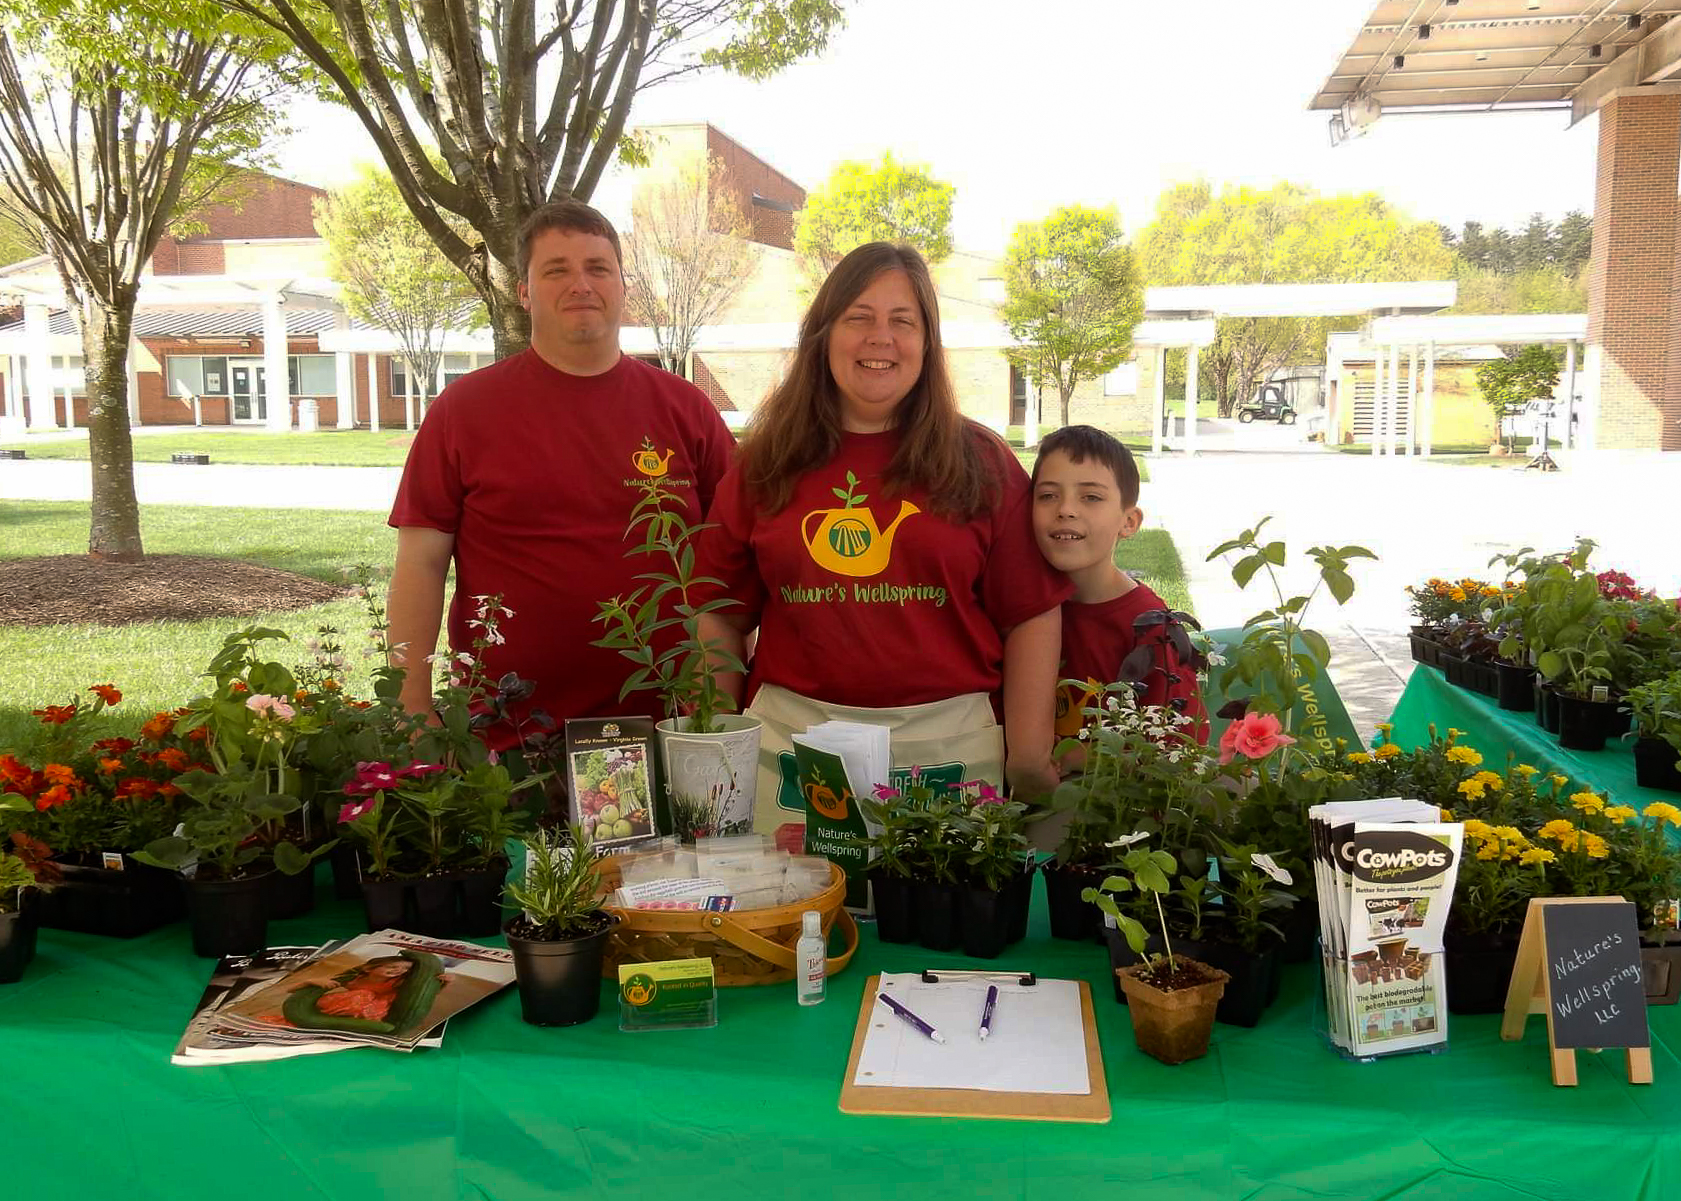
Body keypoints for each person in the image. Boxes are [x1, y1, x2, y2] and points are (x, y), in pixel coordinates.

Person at [694, 242, 1069, 836]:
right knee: (799, 926)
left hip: (947, 757)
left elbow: (1031, 612)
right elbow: (718, 612)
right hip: (794, 752)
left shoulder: (981, 462)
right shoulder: (765, 464)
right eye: (859, 318)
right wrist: (716, 743)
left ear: (927, 342)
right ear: (823, 334)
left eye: (903, 321)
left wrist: (1026, 755)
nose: (881, 338)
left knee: (934, 927)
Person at [386, 201, 734, 745]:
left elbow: (733, 562)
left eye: (598, 268)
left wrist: (718, 700)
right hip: (507, 737)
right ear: (523, 291)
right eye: (556, 270)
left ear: (623, 285)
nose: (581, 284)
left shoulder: (685, 409)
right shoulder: (464, 410)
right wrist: (413, 707)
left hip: (672, 727)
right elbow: (421, 565)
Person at [1029, 425, 1207, 750]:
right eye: (1047, 495)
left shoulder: (1153, 628)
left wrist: (1080, 762)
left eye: (1091, 497)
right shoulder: (1020, 607)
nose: (1065, 509)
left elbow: (1178, 747)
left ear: (1129, 522)